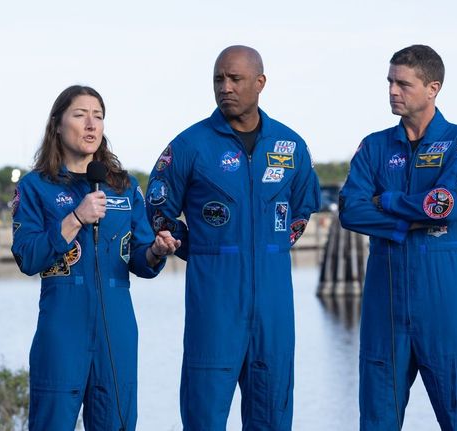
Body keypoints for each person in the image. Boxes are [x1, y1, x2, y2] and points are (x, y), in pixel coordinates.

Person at [146, 45, 321, 430]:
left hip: (274, 307)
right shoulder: (190, 146)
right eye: (218, 79)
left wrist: (269, 248)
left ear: (260, 83)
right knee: (204, 418)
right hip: (215, 305)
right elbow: (156, 209)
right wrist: (198, 248)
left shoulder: (290, 146)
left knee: (273, 417)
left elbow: (304, 207)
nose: (225, 87)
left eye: (235, 79)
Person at [11, 85, 180, 430]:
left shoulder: (124, 186)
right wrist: (75, 218)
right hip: (62, 326)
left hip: (116, 327)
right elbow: (27, 257)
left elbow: (141, 259)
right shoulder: (34, 187)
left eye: (98, 116)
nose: (91, 124)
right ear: (57, 124)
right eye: (80, 115)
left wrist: (157, 250)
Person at [339, 45, 457, 430]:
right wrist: (406, 222)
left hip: (446, 302)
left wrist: (386, 200)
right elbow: (350, 209)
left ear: (432, 87)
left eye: (403, 83)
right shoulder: (374, 146)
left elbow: (445, 205)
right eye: (389, 81)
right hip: (384, 304)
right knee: (376, 420)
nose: (392, 91)